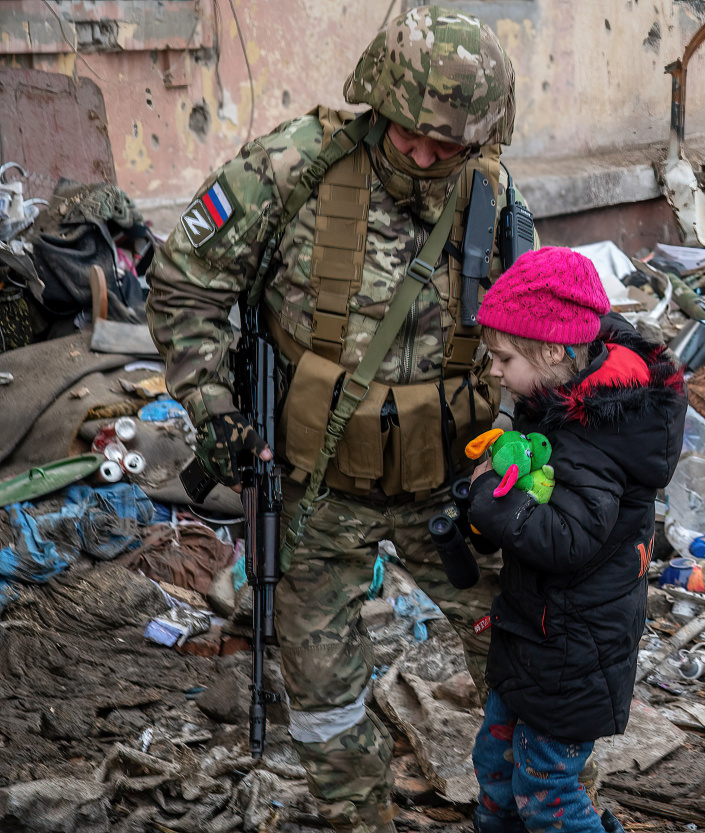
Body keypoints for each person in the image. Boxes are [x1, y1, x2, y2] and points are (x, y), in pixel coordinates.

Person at [147, 7, 522, 832]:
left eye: (446, 145)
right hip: (317, 490)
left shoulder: (494, 194)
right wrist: (214, 407)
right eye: (406, 135)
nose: (423, 157)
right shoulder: (294, 165)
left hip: (454, 487)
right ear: (376, 104)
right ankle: (359, 816)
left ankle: (529, 805)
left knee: (530, 657)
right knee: (322, 688)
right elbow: (184, 279)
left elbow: (534, 328)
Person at [464, 247, 687, 833]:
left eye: (503, 357)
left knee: (547, 791)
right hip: (535, 634)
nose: (493, 371)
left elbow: (567, 539)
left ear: (554, 350)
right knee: (494, 765)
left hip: (574, 653)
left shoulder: (594, 436)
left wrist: (490, 499)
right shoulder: (556, 401)